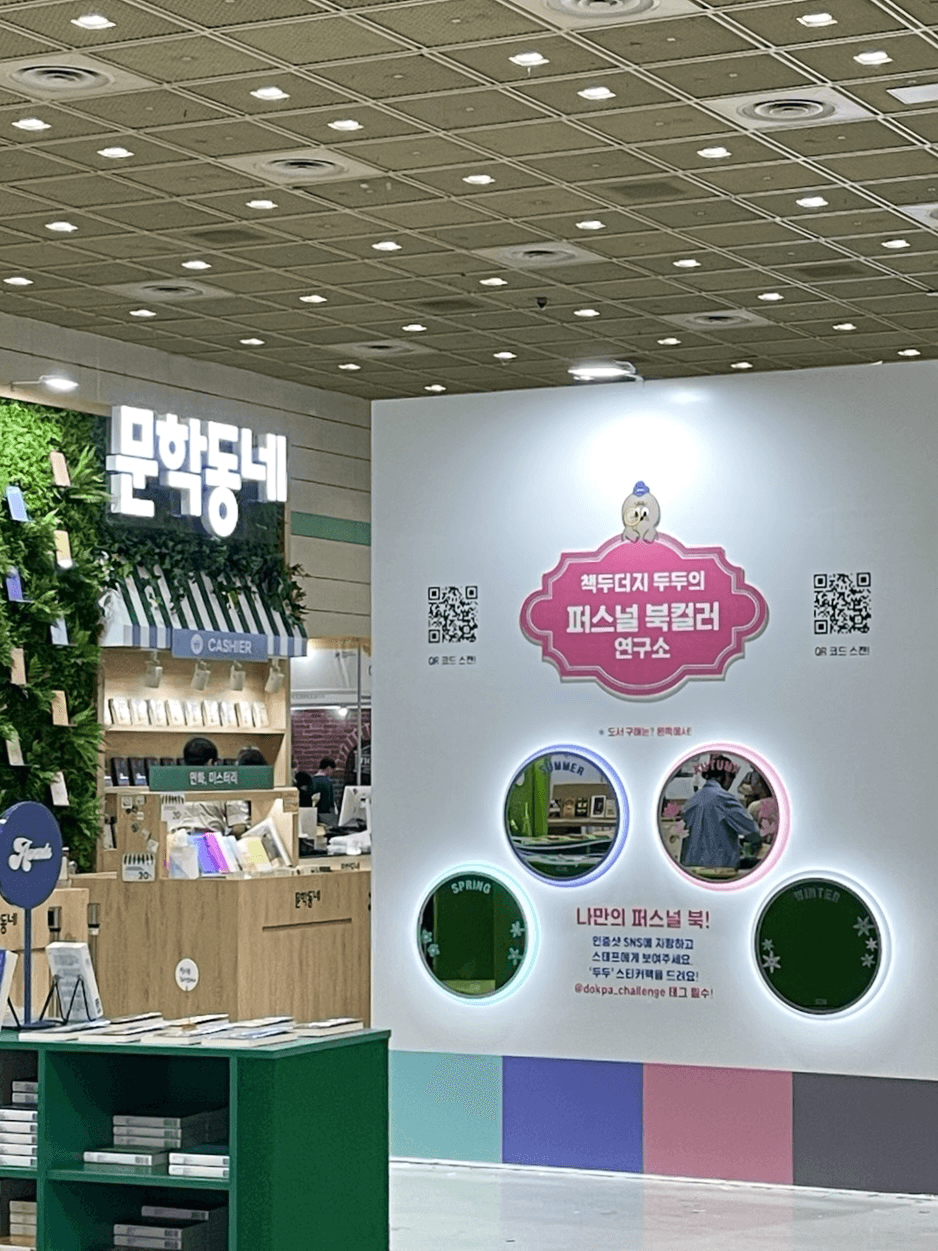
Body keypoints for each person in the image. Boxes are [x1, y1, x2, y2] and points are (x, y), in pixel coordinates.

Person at [678, 754, 762, 872]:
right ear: (723, 776)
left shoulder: (692, 801)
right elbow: (753, 832)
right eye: (732, 776)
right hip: (718, 870)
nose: (732, 782)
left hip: (690, 869)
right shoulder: (724, 799)